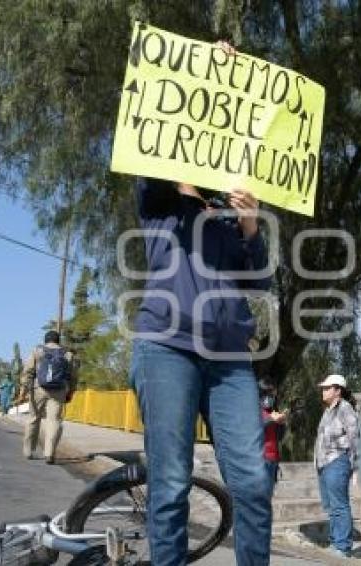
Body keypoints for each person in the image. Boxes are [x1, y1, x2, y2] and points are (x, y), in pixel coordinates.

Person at [130, 176, 273, 566]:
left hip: (230, 360)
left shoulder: (226, 217)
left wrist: (249, 224)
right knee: (172, 482)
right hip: (167, 348)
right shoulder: (162, 202)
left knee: (255, 482)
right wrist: (180, 177)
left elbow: (259, 280)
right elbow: (147, 167)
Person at [314, 374, 359, 558]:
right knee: (331, 506)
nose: (323, 391)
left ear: (337, 390)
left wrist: (354, 466)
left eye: (327, 388)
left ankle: (343, 547)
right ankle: (336, 543)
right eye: (323, 388)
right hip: (324, 464)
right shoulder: (328, 411)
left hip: (338, 461)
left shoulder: (345, 408)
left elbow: (354, 438)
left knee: (339, 505)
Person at [21, 331, 76, 464]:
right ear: (58, 341)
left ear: (46, 340)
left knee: (33, 418)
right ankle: (49, 453)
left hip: (38, 389)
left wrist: (24, 389)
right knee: (54, 421)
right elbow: (73, 376)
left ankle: (28, 451)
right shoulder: (68, 355)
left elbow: (28, 371)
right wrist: (70, 392)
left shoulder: (38, 351)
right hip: (58, 391)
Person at [259, 380, 287, 494]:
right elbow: (253, 427)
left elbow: (279, 437)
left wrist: (281, 424)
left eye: (271, 394)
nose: (269, 397)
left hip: (273, 459)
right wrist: (271, 420)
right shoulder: (253, 410)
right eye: (266, 393)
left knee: (268, 495)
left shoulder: (274, 411)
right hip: (259, 459)